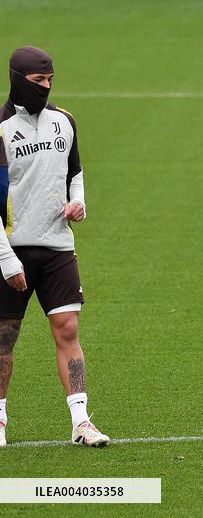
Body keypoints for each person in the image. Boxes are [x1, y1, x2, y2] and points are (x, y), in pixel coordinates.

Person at [0, 46, 109, 447]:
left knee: (67, 328)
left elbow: (75, 172)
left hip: (57, 247)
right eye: (37, 82)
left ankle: (82, 422)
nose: (45, 88)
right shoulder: (0, 129)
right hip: (10, 249)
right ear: (17, 80)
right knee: (4, 336)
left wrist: (78, 202)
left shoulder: (64, 122)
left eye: (49, 81)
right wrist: (6, 260)